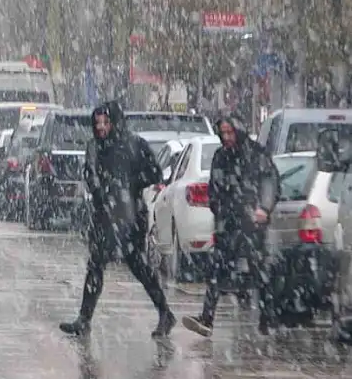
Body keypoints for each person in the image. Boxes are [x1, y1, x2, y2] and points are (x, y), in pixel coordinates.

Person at [60, 101, 176, 338]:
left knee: (139, 266)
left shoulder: (134, 144)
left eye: (105, 122)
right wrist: (100, 190)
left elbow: (155, 172)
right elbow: (90, 172)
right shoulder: (94, 147)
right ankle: (84, 318)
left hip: (130, 215)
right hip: (104, 215)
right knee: (96, 265)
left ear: (115, 122)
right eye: (97, 123)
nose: (101, 127)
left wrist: (130, 184)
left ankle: (165, 312)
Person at [182, 115, 279, 337]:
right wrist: (219, 208)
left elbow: (270, 181)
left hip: (252, 224)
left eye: (230, 132)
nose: (226, 137)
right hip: (228, 223)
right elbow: (214, 188)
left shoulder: (256, 153)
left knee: (259, 270)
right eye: (223, 133)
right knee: (217, 269)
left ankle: (268, 318)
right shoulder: (221, 156)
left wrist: (263, 208)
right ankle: (207, 318)